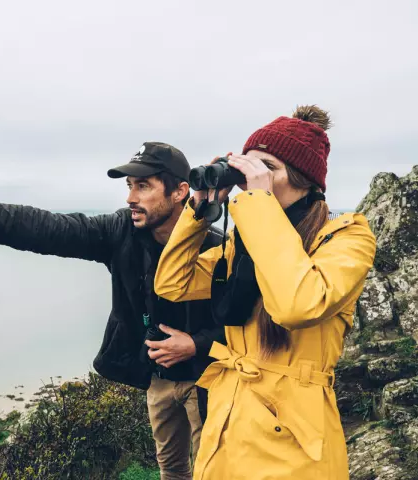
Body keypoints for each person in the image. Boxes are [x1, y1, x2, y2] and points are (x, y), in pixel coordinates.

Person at [0, 142, 224, 480]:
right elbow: (44, 228)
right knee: (171, 468)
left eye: (143, 186)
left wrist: (195, 344)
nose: (130, 198)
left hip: (207, 378)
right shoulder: (121, 232)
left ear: (179, 191)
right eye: (129, 186)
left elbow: (248, 325)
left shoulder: (218, 249)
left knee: (213, 468)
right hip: (157, 379)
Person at [153, 107, 376, 480]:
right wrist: (199, 212)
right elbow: (173, 283)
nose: (252, 179)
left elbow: (297, 305)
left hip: (292, 439)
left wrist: (257, 205)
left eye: (266, 167)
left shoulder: (347, 238)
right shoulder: (246, 243)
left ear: (303, 179)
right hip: (229, 416)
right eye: (247, 168)